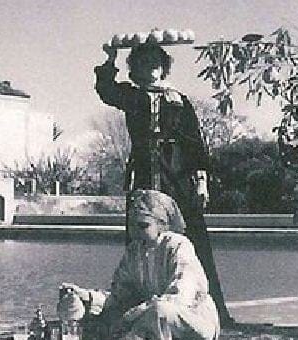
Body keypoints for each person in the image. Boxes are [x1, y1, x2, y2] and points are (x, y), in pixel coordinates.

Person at [94, 41, 232, 325]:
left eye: (155, 63)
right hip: (145, 175)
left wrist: (201, 181)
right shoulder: (131, 96)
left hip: (177, 176)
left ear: (164, 67)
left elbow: (194, 143)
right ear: (136, 68)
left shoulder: (178, 99)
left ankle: (208, 312)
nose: (150, 68)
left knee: (192, 238)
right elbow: (106, 90)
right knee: (141, 238)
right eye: (144, 63)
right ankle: (137, 310)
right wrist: (111, 59)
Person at [59, 190, 220, 340]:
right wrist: (86, 296)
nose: (136, 231)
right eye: (132, 225)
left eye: (143, 226)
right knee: (90, 312)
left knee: (160, 310)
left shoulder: (178, 245)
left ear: (161, 225)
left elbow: (182, 297)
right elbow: (119, 296)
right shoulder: (134, 251)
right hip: (149, 315)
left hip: (192, 317)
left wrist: (141, 310)